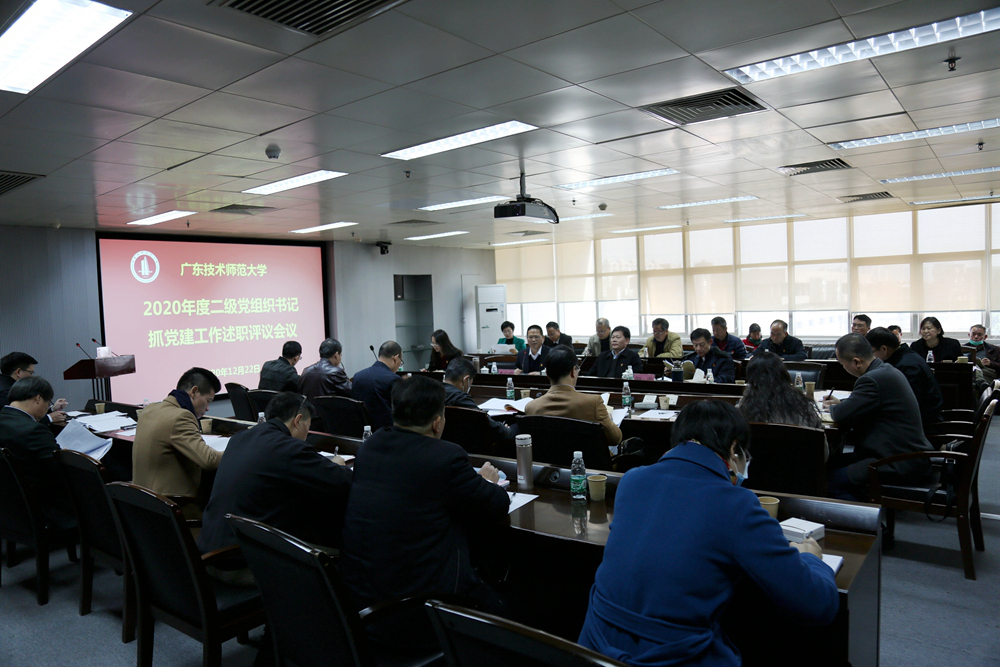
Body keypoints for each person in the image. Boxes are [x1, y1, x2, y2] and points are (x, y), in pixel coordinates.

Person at [578, 400, 839, 667]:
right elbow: (817, 604)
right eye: (745, 456)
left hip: (593, 650)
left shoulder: (632, 481)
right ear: (734, 449)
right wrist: (811, 559)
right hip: (671, 659)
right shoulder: (736, 503)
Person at [340, 375, 509, 650]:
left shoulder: (370, 446)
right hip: (417, 607)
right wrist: (488, 482)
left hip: (361, 599)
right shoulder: (447, 457)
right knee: (506, 610)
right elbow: (496, 504)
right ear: (437, 422)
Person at [197, 392, 352, 564]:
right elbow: (343, 482)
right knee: (341, 555)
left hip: (209, 551)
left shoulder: (240, 437)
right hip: (243, 560)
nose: (306, 435)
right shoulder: (288, 448)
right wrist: (337, 464)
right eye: (307, 428)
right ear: (298, 420)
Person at [823, 334, 933, 502]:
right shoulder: (885, 369)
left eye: (843, 364)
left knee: (828, 482)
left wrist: (834, 408)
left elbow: (840, 414)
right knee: (825, 464)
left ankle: (867, 518)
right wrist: (842, 404)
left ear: (856, 362)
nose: (844, 368)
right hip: (904, 454)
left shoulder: (871, 379)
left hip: (896, 461)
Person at [132, 368, 222, 517]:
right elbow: (208, 460)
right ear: (194, 392)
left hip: (141, 503)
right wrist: (238, 451)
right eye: (208, 401)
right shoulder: (181, 417)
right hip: (171, 509)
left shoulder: (150, 409)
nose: (207, 408)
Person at [0, 377, 75, 530]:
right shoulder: (35, 430)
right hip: (44, 510)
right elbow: (59, 471)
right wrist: (66, 455)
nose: (47, 409)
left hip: (9, 509)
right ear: (38, 398)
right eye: (48, 404)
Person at [526, 345, 622, 447]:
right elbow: (615, 439)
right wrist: (609, 420)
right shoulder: (593, 403)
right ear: (573, 371)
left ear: (547, 373)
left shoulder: (531, 407)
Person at [737, 351, 827, 458]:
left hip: (756, 467)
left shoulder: (742, 408)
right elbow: (823, 452)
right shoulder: (804, 405)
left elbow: (736, 451)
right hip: (801, 466)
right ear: (784, 374)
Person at [866, 327, 943, 428]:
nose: (872, 357)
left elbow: (909, 404)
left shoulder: (907, 366)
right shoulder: (905, 356)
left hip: (922, 425)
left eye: (872, 352)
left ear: (884, 349)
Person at [442, 358, 515, 441]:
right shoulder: (461, 398)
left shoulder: (434, 391)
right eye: (470, 383)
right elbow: (486, 423)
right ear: (465, 380)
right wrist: (506, 430)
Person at [0, 352, 68, 423]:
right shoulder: (5, 393)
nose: (31, 377)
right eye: (31, 373)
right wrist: (49, 418)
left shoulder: (6, 386)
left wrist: (51, 409)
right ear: (18, 372)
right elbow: (16, 422)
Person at [351, 340, 402, 431]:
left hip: (361, 432)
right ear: (396, 358)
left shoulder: (358, 376)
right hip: (387, 433)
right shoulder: (393, 379)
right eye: (401, 361)